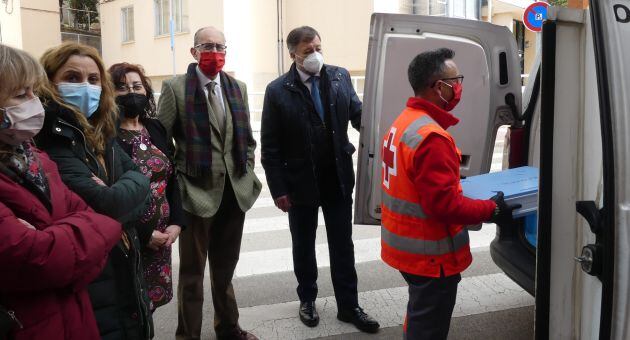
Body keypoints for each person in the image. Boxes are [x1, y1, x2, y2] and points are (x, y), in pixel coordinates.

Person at [380, 48, 519, 340]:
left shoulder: (405, 121)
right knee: (428, 328)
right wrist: (491, 209)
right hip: (430, 256)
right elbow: (445, 207)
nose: (459, 87)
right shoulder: (432, 138)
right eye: (455, 80)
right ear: (437, 87)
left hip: (406, 249)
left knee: (419, 314)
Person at [261, 26, 380, 333]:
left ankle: (349, 306)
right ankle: (308, 300)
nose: (315, 54)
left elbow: (358, 114)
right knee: (303, 244)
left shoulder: (339, 77)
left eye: (317, 47)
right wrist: (278, 190)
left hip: (337, 178)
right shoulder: (277, 90)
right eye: (307, 51)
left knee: (343, 245)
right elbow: (270, 147)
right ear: (293, 55)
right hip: (299, 182)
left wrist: (379, 122)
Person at [0, 44, 121, 340]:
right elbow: (36, 261)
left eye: (33, 91)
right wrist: (85, 232)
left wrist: (57, 238)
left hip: (73, 318)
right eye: (20, 95)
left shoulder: (36, 159)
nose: (35, 102)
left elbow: (102, 221)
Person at [35, 42, 154, 340]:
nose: (85, 87)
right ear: (48, 82)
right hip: (93, 281)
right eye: (72, 78)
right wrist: (125, 194)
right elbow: (108, 204)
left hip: (124, 267)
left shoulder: (101, 133)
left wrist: (127, 193)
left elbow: (142, 182)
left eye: (93, 79)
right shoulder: (49, 140)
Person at [157, 26, 261, 340]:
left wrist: (247, 170)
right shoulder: (175, 88)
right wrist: (178, 182)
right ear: (193, 51)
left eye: (220, 46)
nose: (214, 52)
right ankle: (187, 336)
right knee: (191, 274)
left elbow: (248, 140)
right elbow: (162, 143)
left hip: (234, 192)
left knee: (225, 269)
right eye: (207, 45)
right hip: (195, 194)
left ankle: (228, 329)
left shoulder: (237, 87)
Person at [109, 62, 184, 311]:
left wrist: (176, 222)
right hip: (129, 238)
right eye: (121, 87)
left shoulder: (154, 127)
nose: (131, 91)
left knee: (150, 306)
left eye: (137, 86)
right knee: (130, 306)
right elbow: (108, 192)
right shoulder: (105, 134)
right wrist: (142, 232)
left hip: (162, 236)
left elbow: (171, 176)